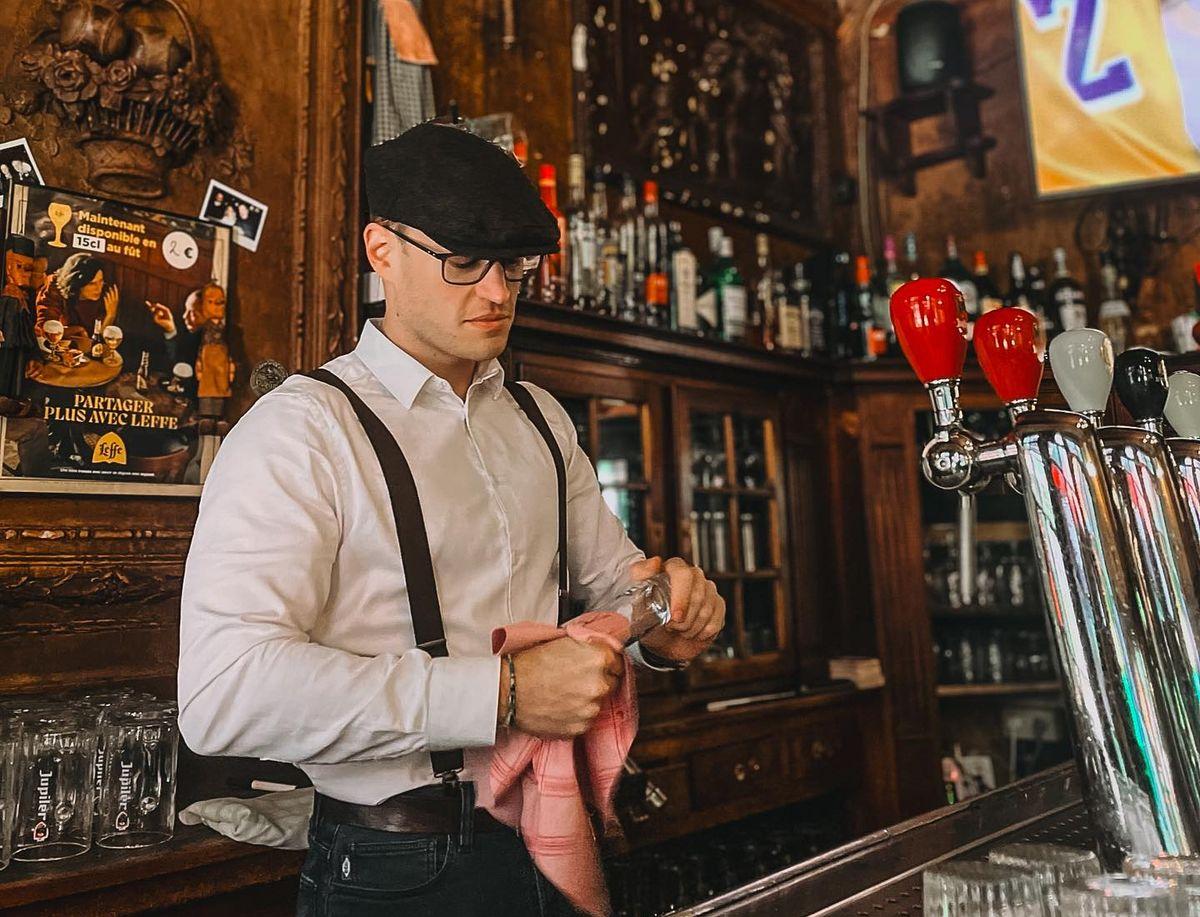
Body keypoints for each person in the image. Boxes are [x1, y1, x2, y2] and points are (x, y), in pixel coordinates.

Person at [177, 121, 725, 917]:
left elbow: (617, 589)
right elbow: (223, 692)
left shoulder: (538, 418)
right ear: (382, 250)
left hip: (553, 836)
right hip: (394, 864)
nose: (498, 292)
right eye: (463, 262)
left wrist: (665, 624)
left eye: (513, 265)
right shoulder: (301, 429)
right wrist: (499, 693)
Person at [0, 235, 40, 402]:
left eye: (28, 269)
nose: (25, 274)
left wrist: (34, 357)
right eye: (19, 267)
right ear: (8, 268)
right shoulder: (11, 299)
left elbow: (26, 334)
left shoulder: (23, 298)